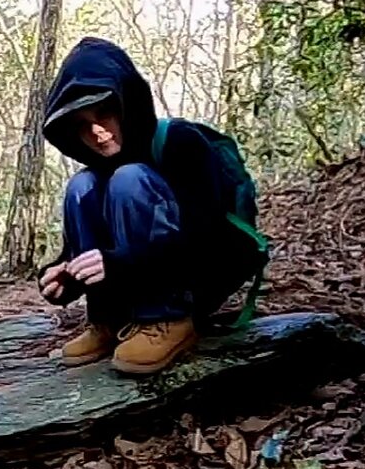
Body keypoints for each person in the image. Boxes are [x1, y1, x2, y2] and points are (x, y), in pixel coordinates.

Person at [37, 36, 261, 374]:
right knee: (79, 186)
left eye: (104, 113)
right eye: (82, 125)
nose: (98, 132)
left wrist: (118, 264)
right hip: (132, 278)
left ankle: (167, 320)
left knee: (130, 179)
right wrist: (65, 277)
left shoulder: (180, 143)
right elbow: (91, 255)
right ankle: (107, 321)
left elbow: (208, 238)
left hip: (200, 277)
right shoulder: (95, 177)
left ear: (126, 104)